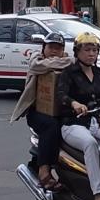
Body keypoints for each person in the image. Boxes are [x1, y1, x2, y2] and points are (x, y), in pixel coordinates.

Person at [55, 32, 100, 200]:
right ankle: (99, 193)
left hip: (95, 122)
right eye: (87, 50)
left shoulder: (98, 72)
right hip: (73, 124)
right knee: (90, 144)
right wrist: (74, 103)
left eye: (94, 50)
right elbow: (61, 94)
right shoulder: (69, 73)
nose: (91, 54)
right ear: (77, 52)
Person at [11, 32, 74, 189]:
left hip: (62, 110)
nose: (54, 51)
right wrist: (59, 62)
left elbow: (72, 62)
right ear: (43, 48)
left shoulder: (69, 61)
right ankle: (44, 171)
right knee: (51, 126)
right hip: (36, 112)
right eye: (51, 47)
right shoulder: (36, 58)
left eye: (58, 48)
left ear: (63, 50)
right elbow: (37, 66)